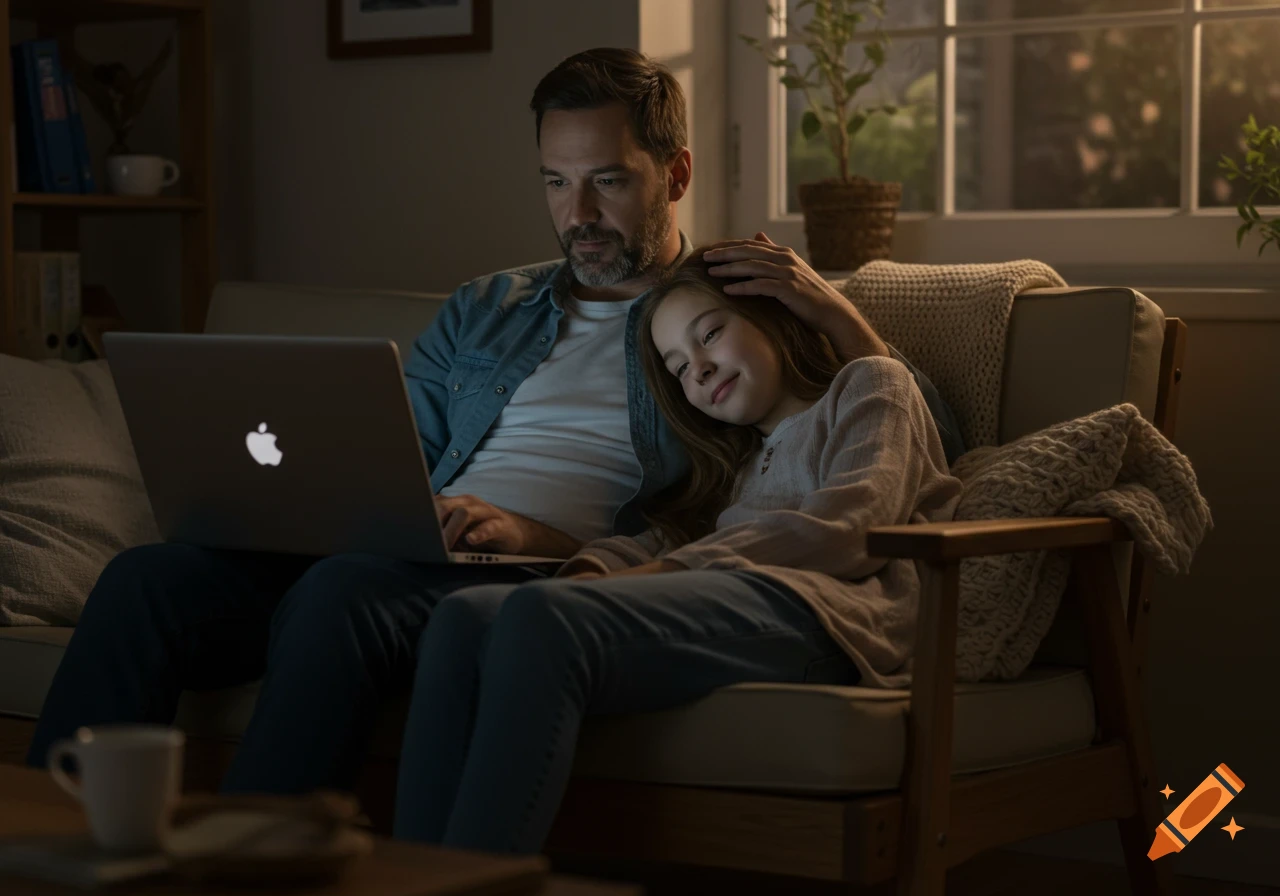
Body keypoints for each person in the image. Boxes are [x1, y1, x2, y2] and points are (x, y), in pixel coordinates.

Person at [27, 48, 963, 801]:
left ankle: (259, 862)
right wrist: (310, 508)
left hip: (544, 571)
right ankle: (46, 850)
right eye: (556, 182)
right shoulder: (487, 306)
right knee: (149, 577)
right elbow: (394, 452)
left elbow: (903, 434)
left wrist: (838, 313)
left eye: (607, 181)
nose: (578, 215)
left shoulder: (727, 311)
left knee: (344, 589)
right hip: (417, 543)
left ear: (675, 172)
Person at [391, 249, 964, 854]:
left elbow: (851, 528)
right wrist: (593, 567)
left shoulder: (871, 383)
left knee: (541, 615)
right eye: (679, 366)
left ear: (772, 318)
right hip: (730, 596)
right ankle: (416, 874)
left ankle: (477, 880)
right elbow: (672, 537)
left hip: (831, 613)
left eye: (710, 335)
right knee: (464, 616)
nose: (700, 369)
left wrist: (657, 573)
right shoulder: (734, 459)